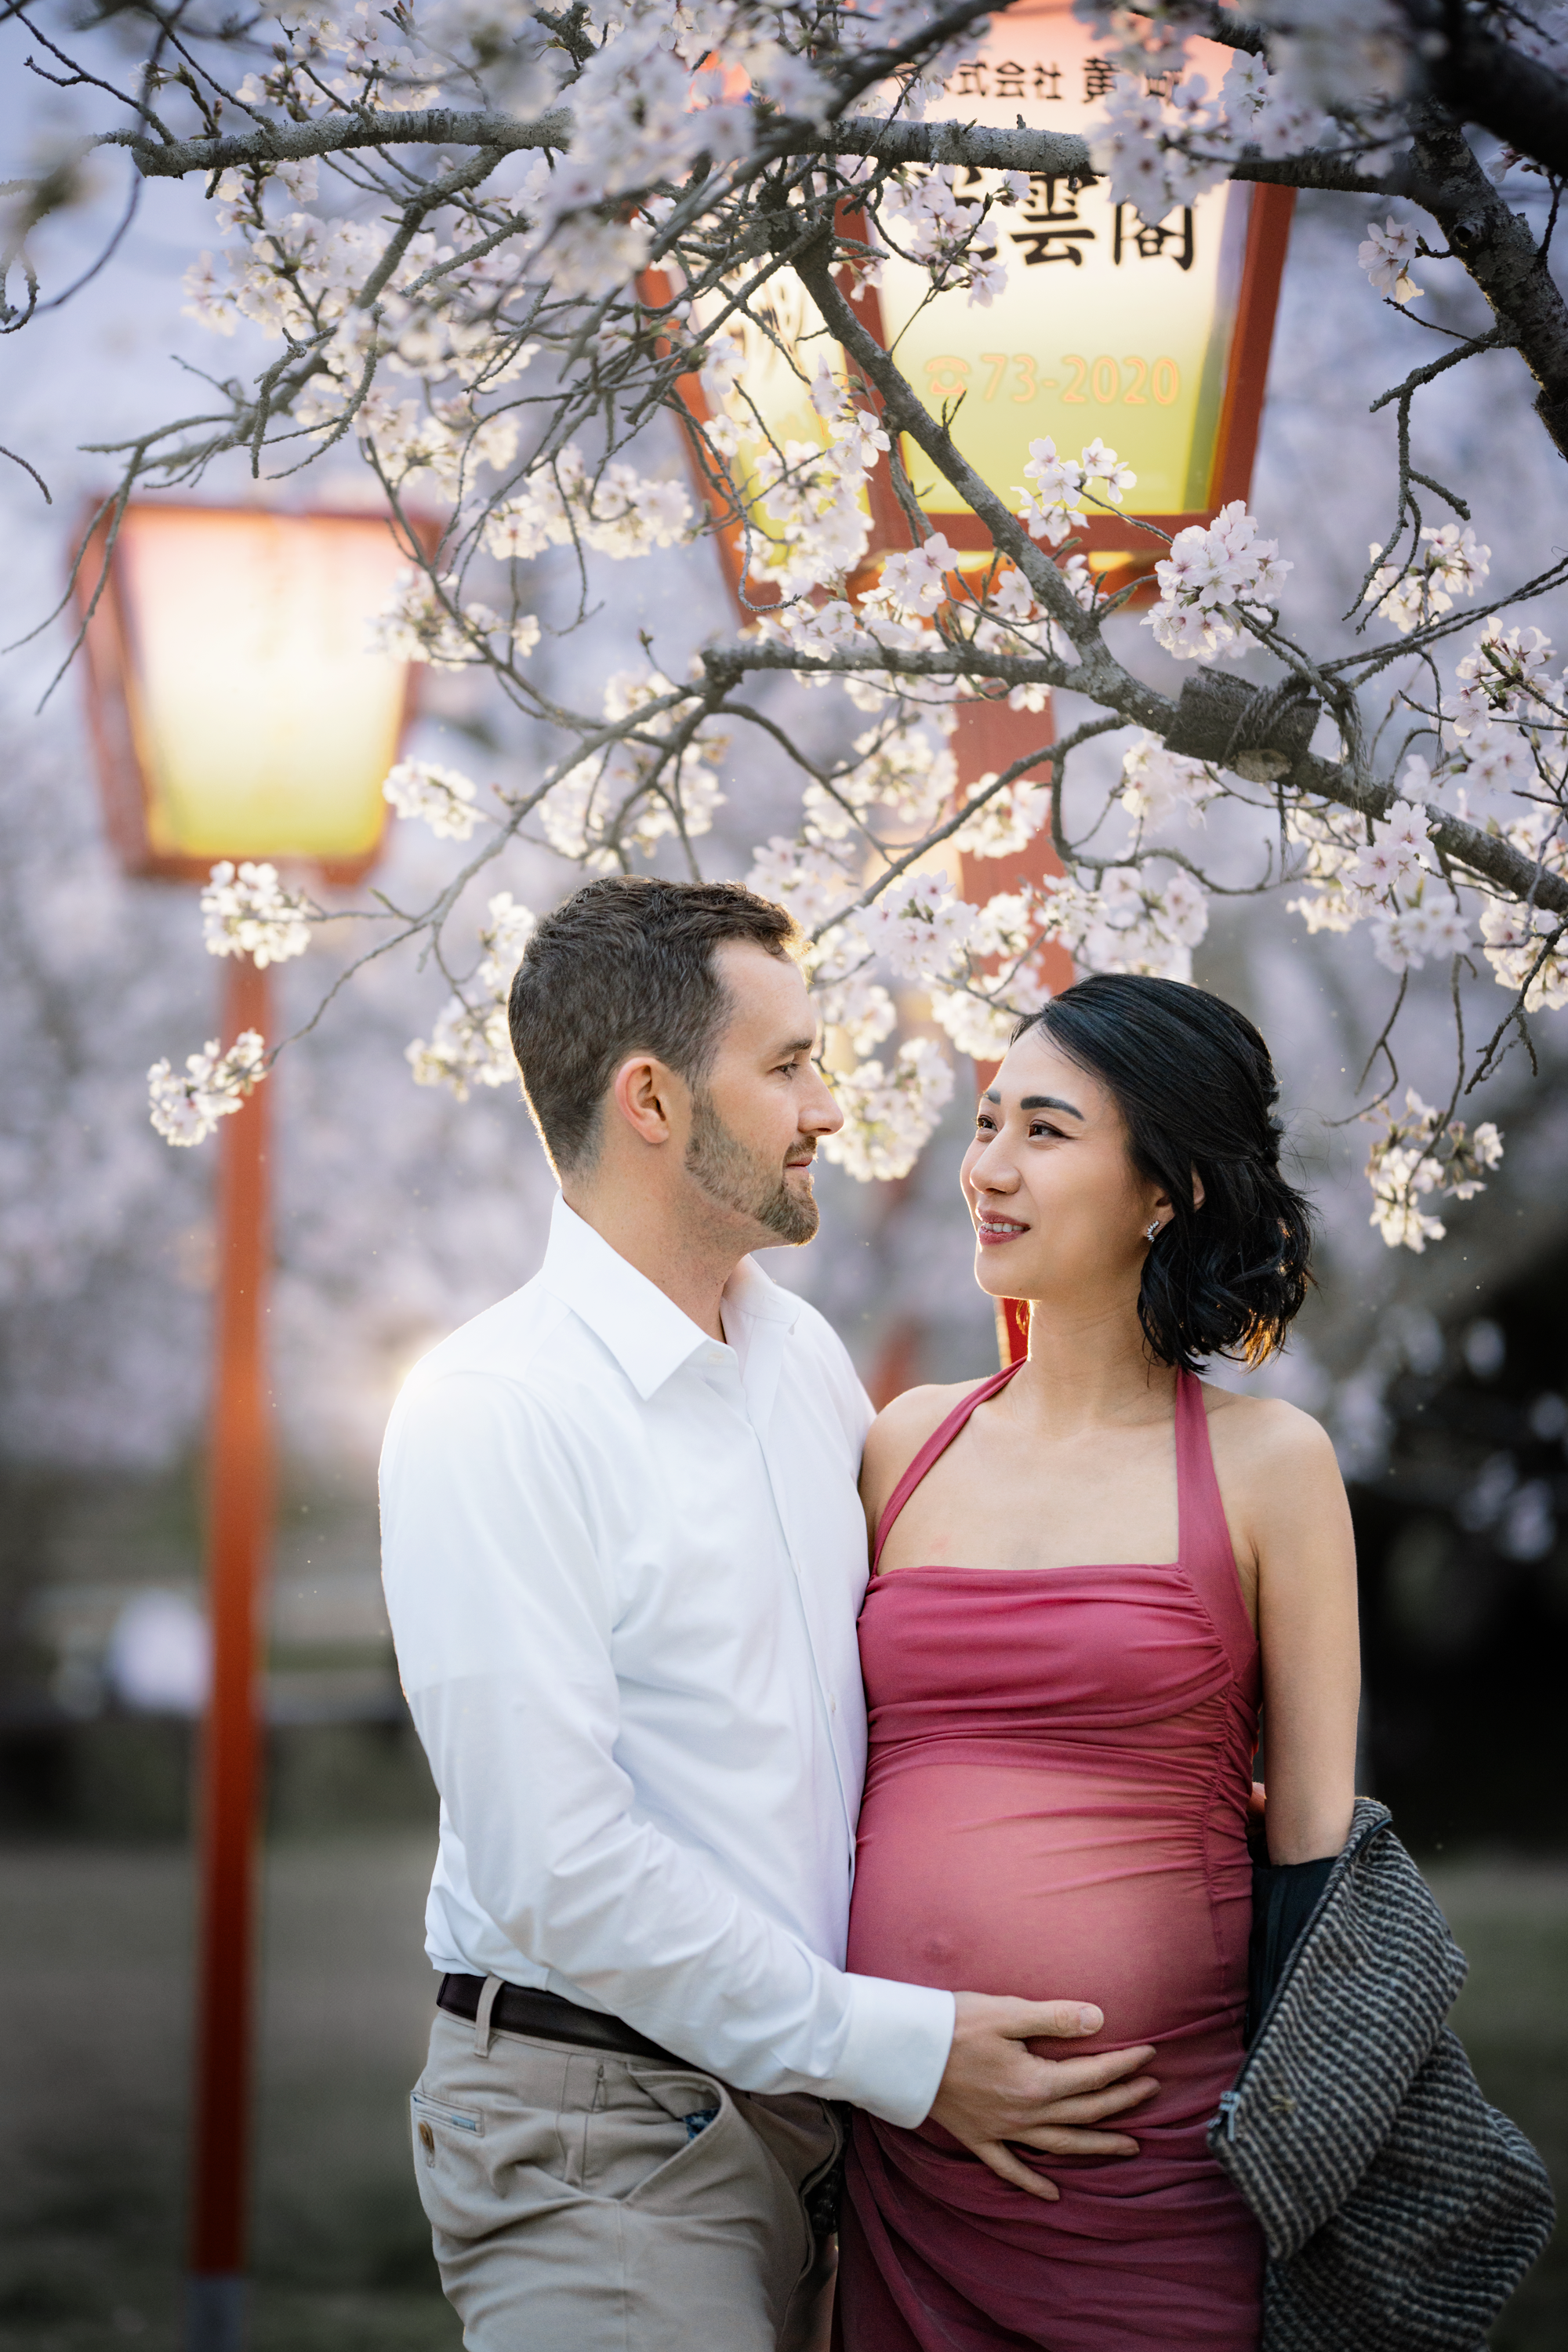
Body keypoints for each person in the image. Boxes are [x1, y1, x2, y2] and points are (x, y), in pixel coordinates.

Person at [379, 878, 1159, 2352]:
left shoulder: (797, 1358)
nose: (828, 1106)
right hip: (598, 2139)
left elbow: (898, 1700)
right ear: (655, 1100)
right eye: (790, 1064)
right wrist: (902, 2053)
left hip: (824, 2134)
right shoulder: (494, 1414)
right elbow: (558, 1868)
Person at [837, 973, 1360, 2352]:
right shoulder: (904, 1440)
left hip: (1161, 2173)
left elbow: (1312, 1853)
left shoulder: (1270, 1466)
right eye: (988, 1120)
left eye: (1047, 1133)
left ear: (1166, 1191)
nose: (987, 1170)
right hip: (908, 2156)